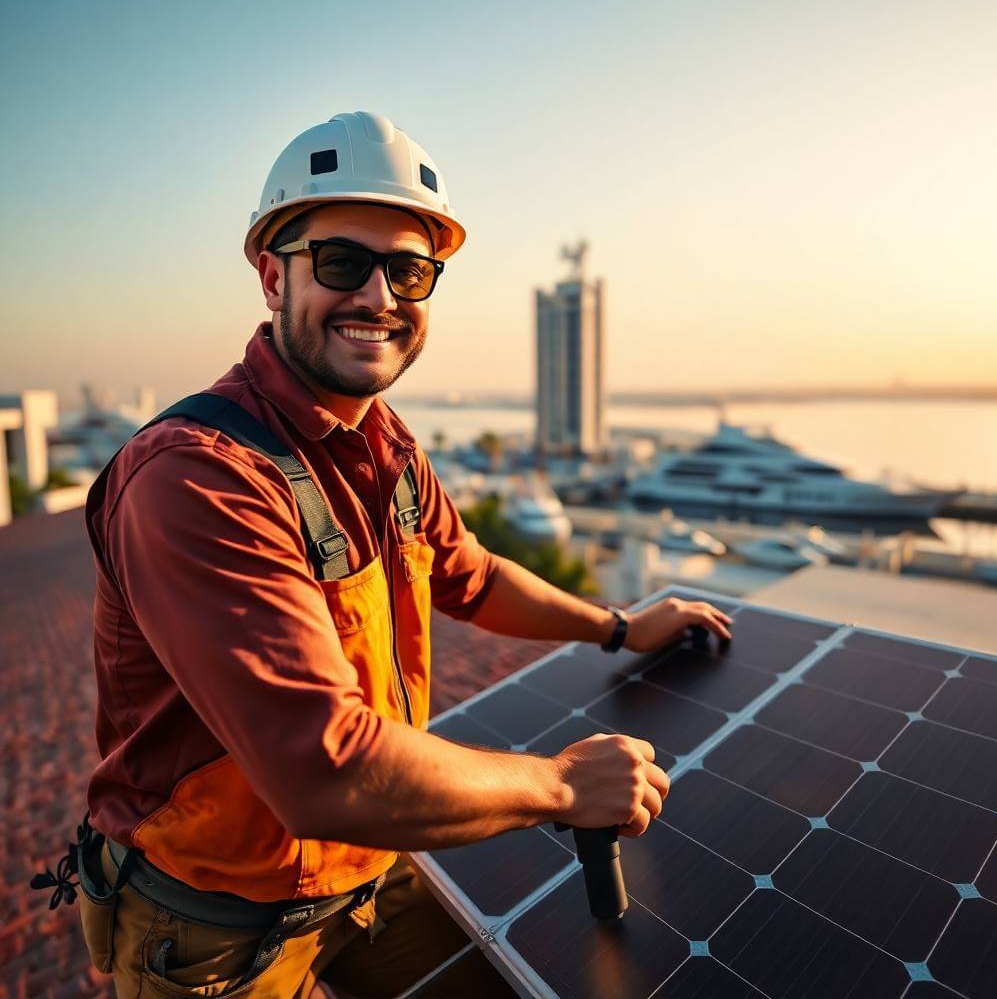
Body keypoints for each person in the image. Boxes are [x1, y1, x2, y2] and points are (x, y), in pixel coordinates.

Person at [72, 111, 733, 998]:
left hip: (374, 872)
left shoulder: (381, 442)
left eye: (410, 270)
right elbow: (323, 769)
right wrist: (563, 786)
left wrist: (619, 626)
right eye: (342, 262)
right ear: (272, 277)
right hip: (216, 935)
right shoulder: (197, 479)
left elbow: (472, 573)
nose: (380, 296)